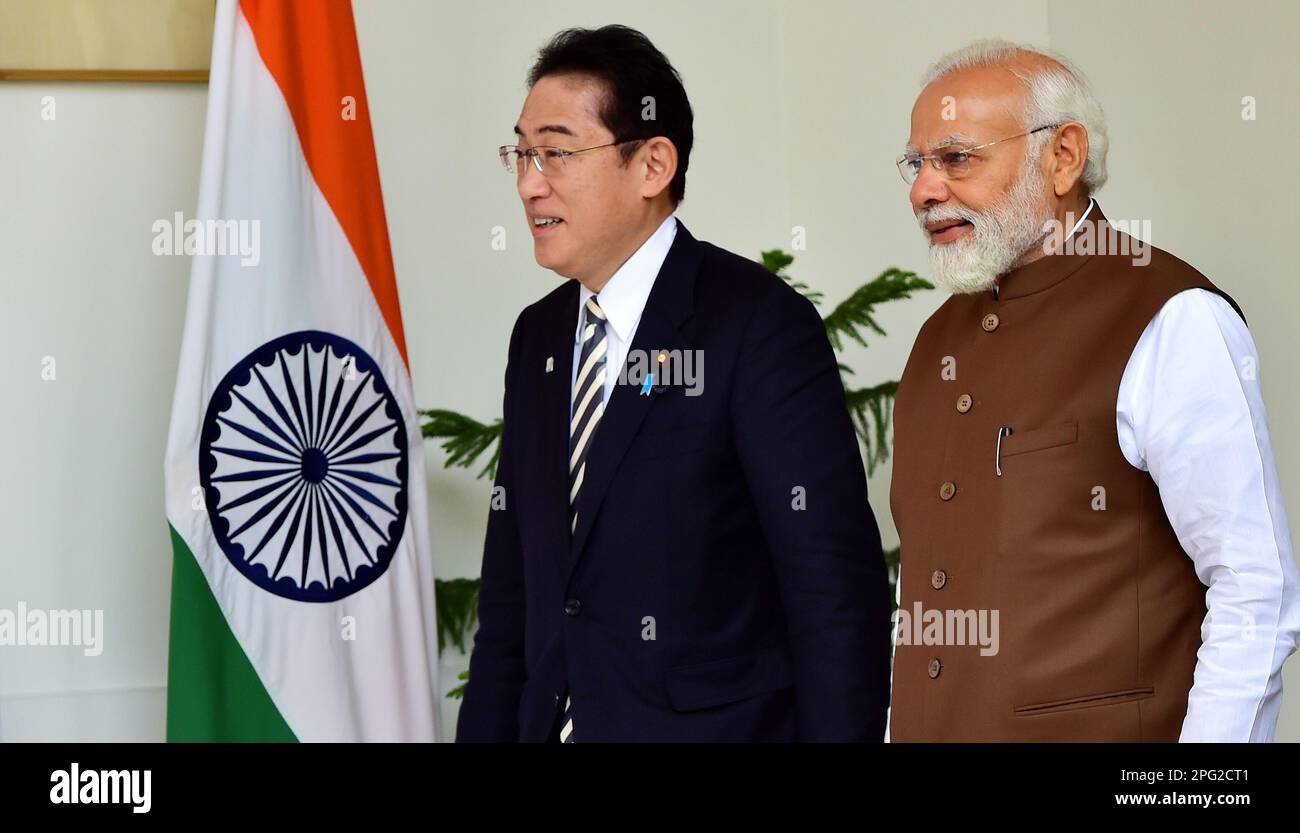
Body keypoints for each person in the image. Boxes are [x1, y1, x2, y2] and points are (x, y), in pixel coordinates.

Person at [455, 25, 891, 742]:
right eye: (522, 153)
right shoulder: (538, 337)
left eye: (557, 152)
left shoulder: (757, 325)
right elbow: (512, 604)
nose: (530, 181)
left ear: (653, 163)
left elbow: (833, 597)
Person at [889, 39, 1300, 741]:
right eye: (917, 162)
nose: (924, 190)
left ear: (1063, 156)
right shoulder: (933, 343)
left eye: (956, 157)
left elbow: (1254, 592)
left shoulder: (1173, 315)